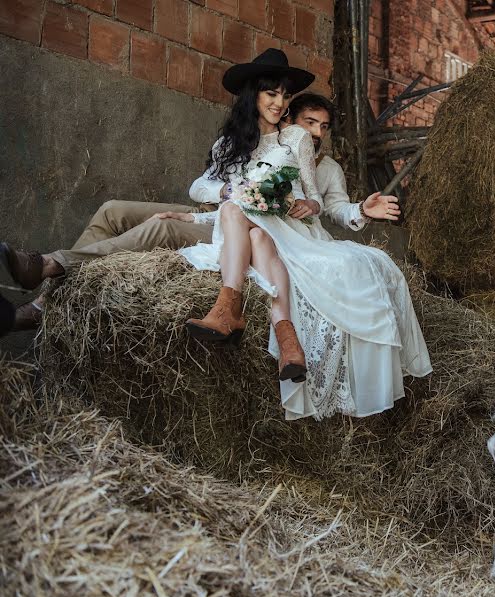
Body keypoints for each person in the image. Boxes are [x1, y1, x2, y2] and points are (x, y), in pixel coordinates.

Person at [177, 48, 432, 420]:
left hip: (283, 228)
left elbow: (316, 197)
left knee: (257, 231)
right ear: (254, 95)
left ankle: (228, 309)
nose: (279, 103)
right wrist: (229, 192)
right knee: (241, 217)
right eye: (271, 94)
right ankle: (286, 340)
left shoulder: (294, 140)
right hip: (242, 224)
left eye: (284, 96)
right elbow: (199, 187)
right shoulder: (229, 145)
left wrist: (324, 207)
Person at [1, 92, 398, 331]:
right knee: (112, 211)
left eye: (324, 127)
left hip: (248, 228)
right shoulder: (254, 143)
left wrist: (360, 209)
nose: (316, 132)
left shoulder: (325, 168)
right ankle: (49, 301)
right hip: (216, 212)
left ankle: (48, 281)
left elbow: (332, 208)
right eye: (309, 122)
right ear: (290, 121)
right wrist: (229, 189)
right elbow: (201, 187)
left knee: (158, 231)